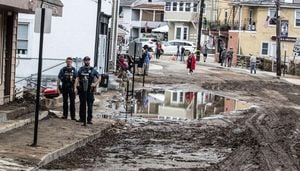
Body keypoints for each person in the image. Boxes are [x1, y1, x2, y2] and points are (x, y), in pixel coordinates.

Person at [74, 56, 101, 124]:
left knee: (90, 105)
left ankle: (89, 119)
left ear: (89, 61)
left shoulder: (92, 69)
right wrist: (75, 87)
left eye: (88, 60)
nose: (87, 62)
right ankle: (82, 118)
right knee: (82, 104)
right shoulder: (81, 69)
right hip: (82, 89)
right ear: (84, 61)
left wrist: (95, 84)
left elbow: (99, 77)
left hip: (90, 90)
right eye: (86, 60)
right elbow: (77, 78)